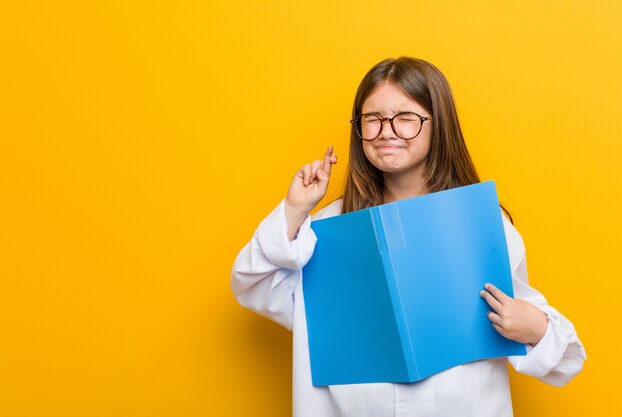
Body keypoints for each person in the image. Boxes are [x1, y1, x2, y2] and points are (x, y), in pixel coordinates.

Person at [231, 57, 586, 417]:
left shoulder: (481, 225)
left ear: (438, 124)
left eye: (406, 118)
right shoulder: (326, 227)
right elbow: (253, 285)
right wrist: (294, 211)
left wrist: (535, 328)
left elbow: (564, 357)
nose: (387, 131)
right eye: (373, 119)